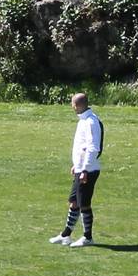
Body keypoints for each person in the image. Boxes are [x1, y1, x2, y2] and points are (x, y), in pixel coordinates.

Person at [49, 92, 103, 247]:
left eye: (72, 104)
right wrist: (77, 165)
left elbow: (93, 148)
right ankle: (66, 235)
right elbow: (82, 146)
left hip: (89, 171)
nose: (71, 107)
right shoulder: (83, 121)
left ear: (78, 105)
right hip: (81, 169)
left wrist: (85, 169)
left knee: (84, 204)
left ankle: (88, 237)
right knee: (74, 202)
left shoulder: (91, 122)